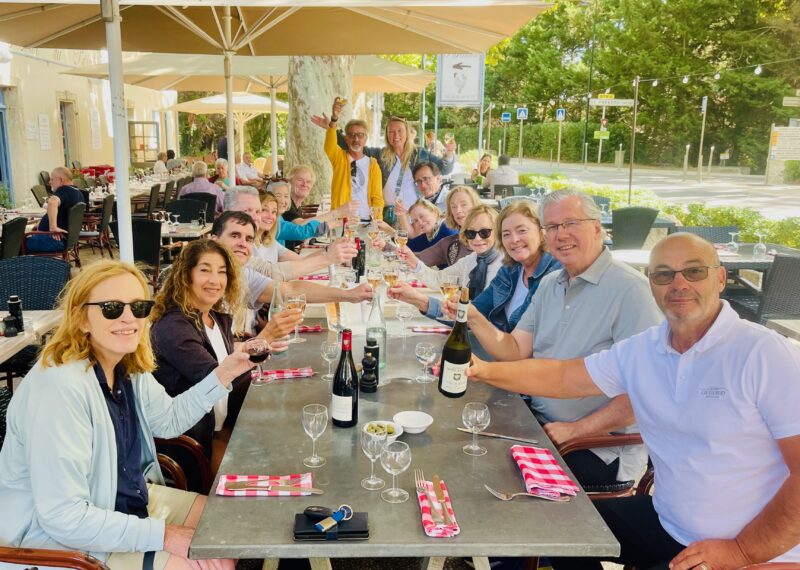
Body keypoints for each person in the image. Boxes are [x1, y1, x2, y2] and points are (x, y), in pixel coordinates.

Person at [467, 232, 800, 568]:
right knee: (560, 529)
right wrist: (479, 369)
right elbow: (564, 376)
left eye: (694, 271)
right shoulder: (647, 348)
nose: (679, 284)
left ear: (721, 278)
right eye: (664, 274)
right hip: (668, 523)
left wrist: (742, 551)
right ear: (652, 284)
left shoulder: (764, 353)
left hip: (754, 550)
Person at [0, 260, 252, 568]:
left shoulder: (124, 366)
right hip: (55, 540)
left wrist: (223, 374)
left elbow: (169, 420)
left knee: (226, 526)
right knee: (205, 560)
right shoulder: (59, 388)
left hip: (123, 502)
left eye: (139, 307)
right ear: (81, 318)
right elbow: (63, 517)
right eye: (111, 308)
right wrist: (164, 535)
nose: (129, 318)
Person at [451, 188, 658, 488]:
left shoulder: (631, 291)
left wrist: (574, 430)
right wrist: (469, 315)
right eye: (552, 227)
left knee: (487, 477)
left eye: (571, 223)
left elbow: (646, 394)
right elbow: (514, 350)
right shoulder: (550, 284)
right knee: (461, 443)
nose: (561, 235)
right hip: (536, 422)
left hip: (595, 448)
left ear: (598, 227)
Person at [150, 240, 301, 468]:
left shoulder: (212, 318)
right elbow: (214, 379)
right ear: (185, 276)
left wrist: (252, 348)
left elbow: (223, 358)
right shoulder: (173, 327)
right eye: (204, 270)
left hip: (223, 425)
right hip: (194, 445)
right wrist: (264, 338)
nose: (215, 280)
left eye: (222, 272)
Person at [210, 211, 372, 319]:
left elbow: (290, 289)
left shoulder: (242, 270)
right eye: (234, 235)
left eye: (248, 239)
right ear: (214, 240)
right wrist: (328, 256)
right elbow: (275, 273)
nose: (242, 243)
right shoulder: (202, 275)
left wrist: (349, 295)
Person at [313, 107, 454, 219]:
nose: (396, 135)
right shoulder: (380, 155)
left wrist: (449, 154)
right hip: (388, 215)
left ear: (407, 133)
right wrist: (332, 128)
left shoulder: (420, 153)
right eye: (391, 132)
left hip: (414, 213)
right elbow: (355, 144)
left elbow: (444, 168)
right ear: (387, 135)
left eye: (400, 131)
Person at [389, 205, 503, 317]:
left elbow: (482, 315)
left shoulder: (505, 267)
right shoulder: (471, 260)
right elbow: (438, 279)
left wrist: (420, 300)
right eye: (471, 233)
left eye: (484, 232)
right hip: (466, 326)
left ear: (497, 231)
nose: (477, 238)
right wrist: (412, 261)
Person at [248, 191, 356, 281]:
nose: (282, 200)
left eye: (286, 195)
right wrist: (337, 220)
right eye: (264, 210)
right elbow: (302, 231)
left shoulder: (269, 239)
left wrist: (331, 251)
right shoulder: (247, 243)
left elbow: (301, 260)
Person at [316, 100, 383, 221]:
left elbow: (377, 197)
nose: (356, 139)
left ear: (365, 139)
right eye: (352, 135)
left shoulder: (373, 165)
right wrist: (334, 119)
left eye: (360, 135)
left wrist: (377, 221)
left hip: (366, 220)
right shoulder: (339, 158)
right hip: (342, 220)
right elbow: (329, 145)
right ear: (346, 139)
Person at [415, 185, 482, 269]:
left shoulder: (489, 239)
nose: (458, 210)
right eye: (453, 207)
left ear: (476, 207)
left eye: (463, 204)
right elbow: (417, 260)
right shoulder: (450, 243)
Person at [25, 166, 84, 252]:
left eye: (52, 179)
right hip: (65, 240)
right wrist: (41, 224)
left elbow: (52, 202)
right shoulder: (78, 193)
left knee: (13, 245)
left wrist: (53, 227)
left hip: (53, 240)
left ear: (61, 180)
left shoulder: (63, 190)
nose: (49, 182)